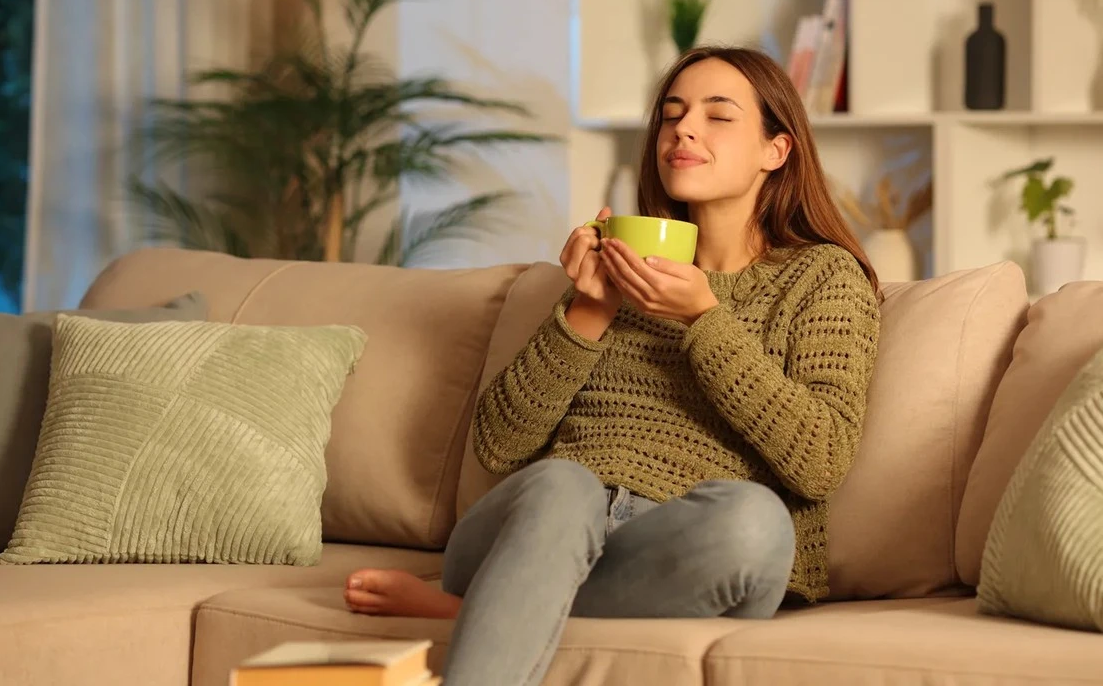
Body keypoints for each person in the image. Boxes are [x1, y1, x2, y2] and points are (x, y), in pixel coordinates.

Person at [343, 46, 882, 686]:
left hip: (677, 553)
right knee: (563, 483)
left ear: (777, 150)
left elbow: (820, 459)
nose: (683, 129)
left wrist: (702, 319)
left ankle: (474, 609)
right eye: (672, 115)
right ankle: (504, 599)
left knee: (756, 523)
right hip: (541, 528)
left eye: (718, 116)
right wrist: (591, 310)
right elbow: (498, 443)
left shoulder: (823, 278)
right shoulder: (616, 268)